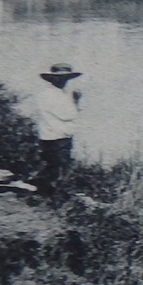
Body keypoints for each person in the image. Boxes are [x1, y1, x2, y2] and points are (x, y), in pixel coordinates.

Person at [33, 62, 82, 192]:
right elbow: (68, 114)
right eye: (60, 77)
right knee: (59, 167)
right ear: (53, 78)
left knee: (51, 166)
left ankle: (43, 192)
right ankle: (49, 195)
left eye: (66, 78)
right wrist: (76, 101)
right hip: (58, 137)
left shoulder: (51, 94)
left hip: (49, 135)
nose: (63, 80)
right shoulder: (54, 95)